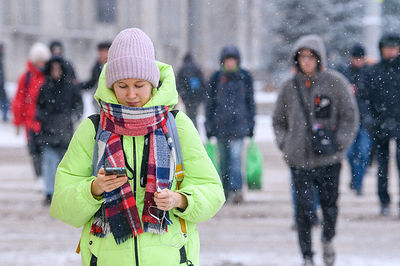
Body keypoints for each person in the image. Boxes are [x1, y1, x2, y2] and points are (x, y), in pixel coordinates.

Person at [50, 28, 225, 266]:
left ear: (152, 83)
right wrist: (94, 189)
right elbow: (62, 205)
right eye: (122, 86)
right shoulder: (93, 129)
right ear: (111, 85)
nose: (131, 94)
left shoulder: (177, 125)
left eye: (139, 85)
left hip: (171, 258)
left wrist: (181, 200)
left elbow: (213, 192)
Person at [272, 34, 359, 266]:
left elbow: (350, 117)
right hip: (299, 160)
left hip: (329, 159)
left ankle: (328, 239)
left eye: (311, 56)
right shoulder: (289, 88)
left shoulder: (336, 83)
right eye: (302, 56)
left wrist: (339, 143)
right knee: (303, 210)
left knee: (330, 206)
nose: (306, 61)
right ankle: (307, 255)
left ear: (319, 58)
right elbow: (278, 120)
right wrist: (285, 144)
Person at [205, 45, 256, 204]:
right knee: (224, 161)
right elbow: (210, 104)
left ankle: (236, 190)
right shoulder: (216, 78)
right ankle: (225, 190)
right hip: (220, 127)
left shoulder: (244, 77)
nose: (230, 63)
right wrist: (209, 125)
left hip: (239, 126)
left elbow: (250, 103)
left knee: (235, 159)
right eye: (228, 60)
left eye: (233, 60)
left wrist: (251, 124)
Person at [36, 56, 83, 205]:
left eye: (58, 68)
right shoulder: (45, 87)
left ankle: (63, 192)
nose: (56, 72)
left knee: (65, 164)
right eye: (53, 68)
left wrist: (70, 118)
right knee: (49, 162)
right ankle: (50, 193)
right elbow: (39, 108)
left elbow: (79, 107)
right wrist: (45, 118)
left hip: (65, 132)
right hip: (48, 131)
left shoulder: (71, 87)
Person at [362, 33, 400, 216]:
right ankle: (384, 201)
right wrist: (370, 119)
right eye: (388, 47)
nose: (391, 51)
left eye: (394, 47)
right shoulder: (373, 72)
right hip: (380, 126)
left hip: (398, 125)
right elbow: (364, 99)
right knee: (382, 167)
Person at [11, 42, 51, 184]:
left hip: (46, 122)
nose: (40, 63)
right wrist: (17, 122)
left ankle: (47, 177)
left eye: (43, 60)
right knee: (34, 151)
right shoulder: (26, 78)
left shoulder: (49, 77)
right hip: (30, 122)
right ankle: (39, 176)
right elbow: (18, 100)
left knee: (48, 151)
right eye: (38, 60)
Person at [338, 44, 371, 196]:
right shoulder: (344, 72)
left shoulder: (369, 73)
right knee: (351, 153)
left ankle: (359, 183)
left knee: (363, 153)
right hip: (349, 120)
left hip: (365, 120)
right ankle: (355, 178)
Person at [80, 41, 112, 113]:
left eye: (102, 52)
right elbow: (92, 82)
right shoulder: (96, 67)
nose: (100, 55)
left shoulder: (114, 66)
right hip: (99, 103)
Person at [176, 53, 205, 128]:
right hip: (196, 98)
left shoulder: (182, 69)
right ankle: (195, 132)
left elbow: (178, 85)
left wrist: (183, 96)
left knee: (189, 116)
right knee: (194, 116)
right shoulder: (197, 69)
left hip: (187, 98)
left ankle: (190, 131)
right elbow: (202, 84)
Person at [0, 43, 9, 122]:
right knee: (4, 100)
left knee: (4, 100)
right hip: (1, 84)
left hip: (1, 83)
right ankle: (5, 116)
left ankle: (5, 116)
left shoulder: (1, 58)